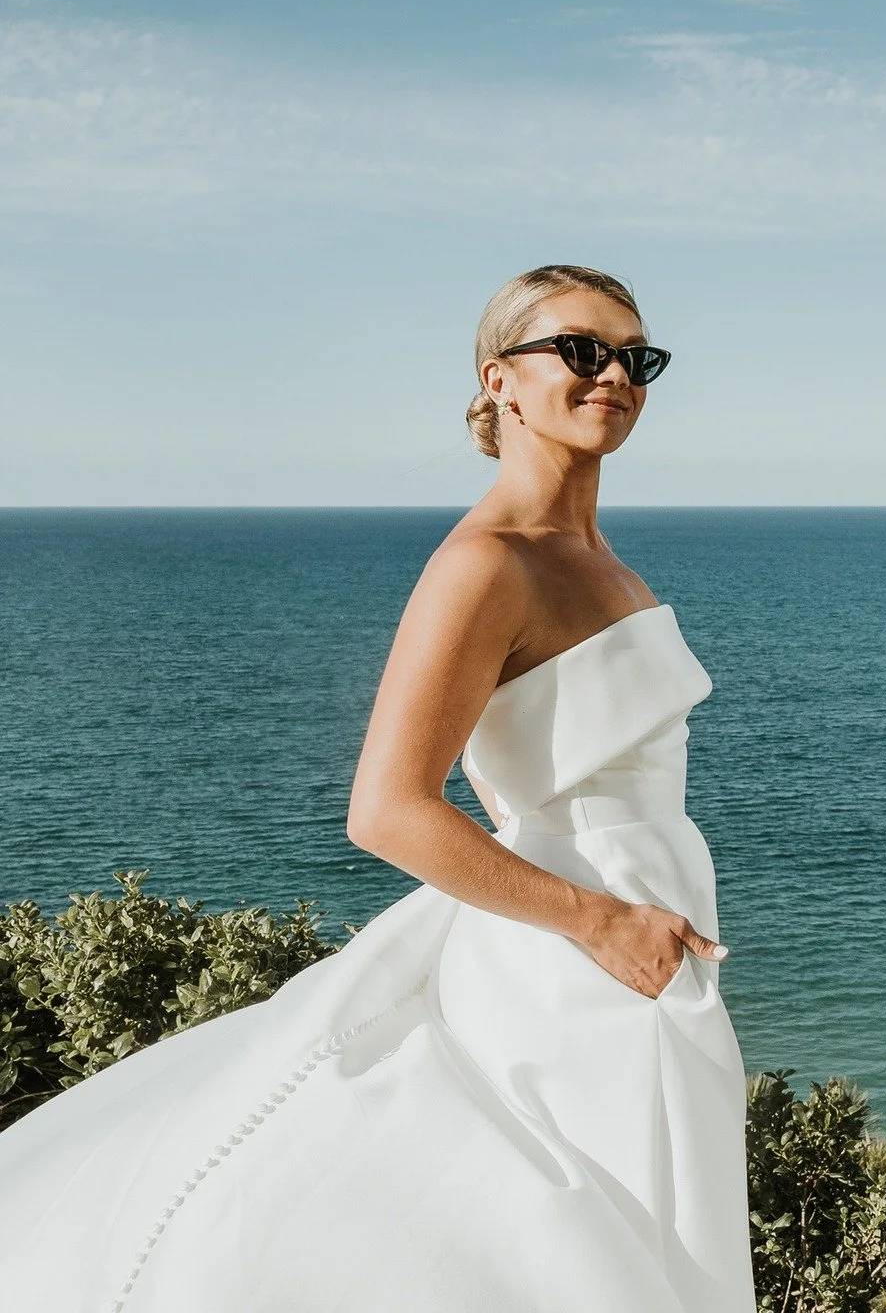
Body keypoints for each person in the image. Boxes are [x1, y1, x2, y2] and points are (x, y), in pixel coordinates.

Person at [0, 264, 757, 1313]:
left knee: (658, 1227)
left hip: (644, 928)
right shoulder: (486, 564)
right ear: (500, 380)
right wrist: (599, 921)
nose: (614, 375)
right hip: (571, 951)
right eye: (580, 351)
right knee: (588, 1252)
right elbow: (387, 809)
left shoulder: (599, 559)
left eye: (636, 357)